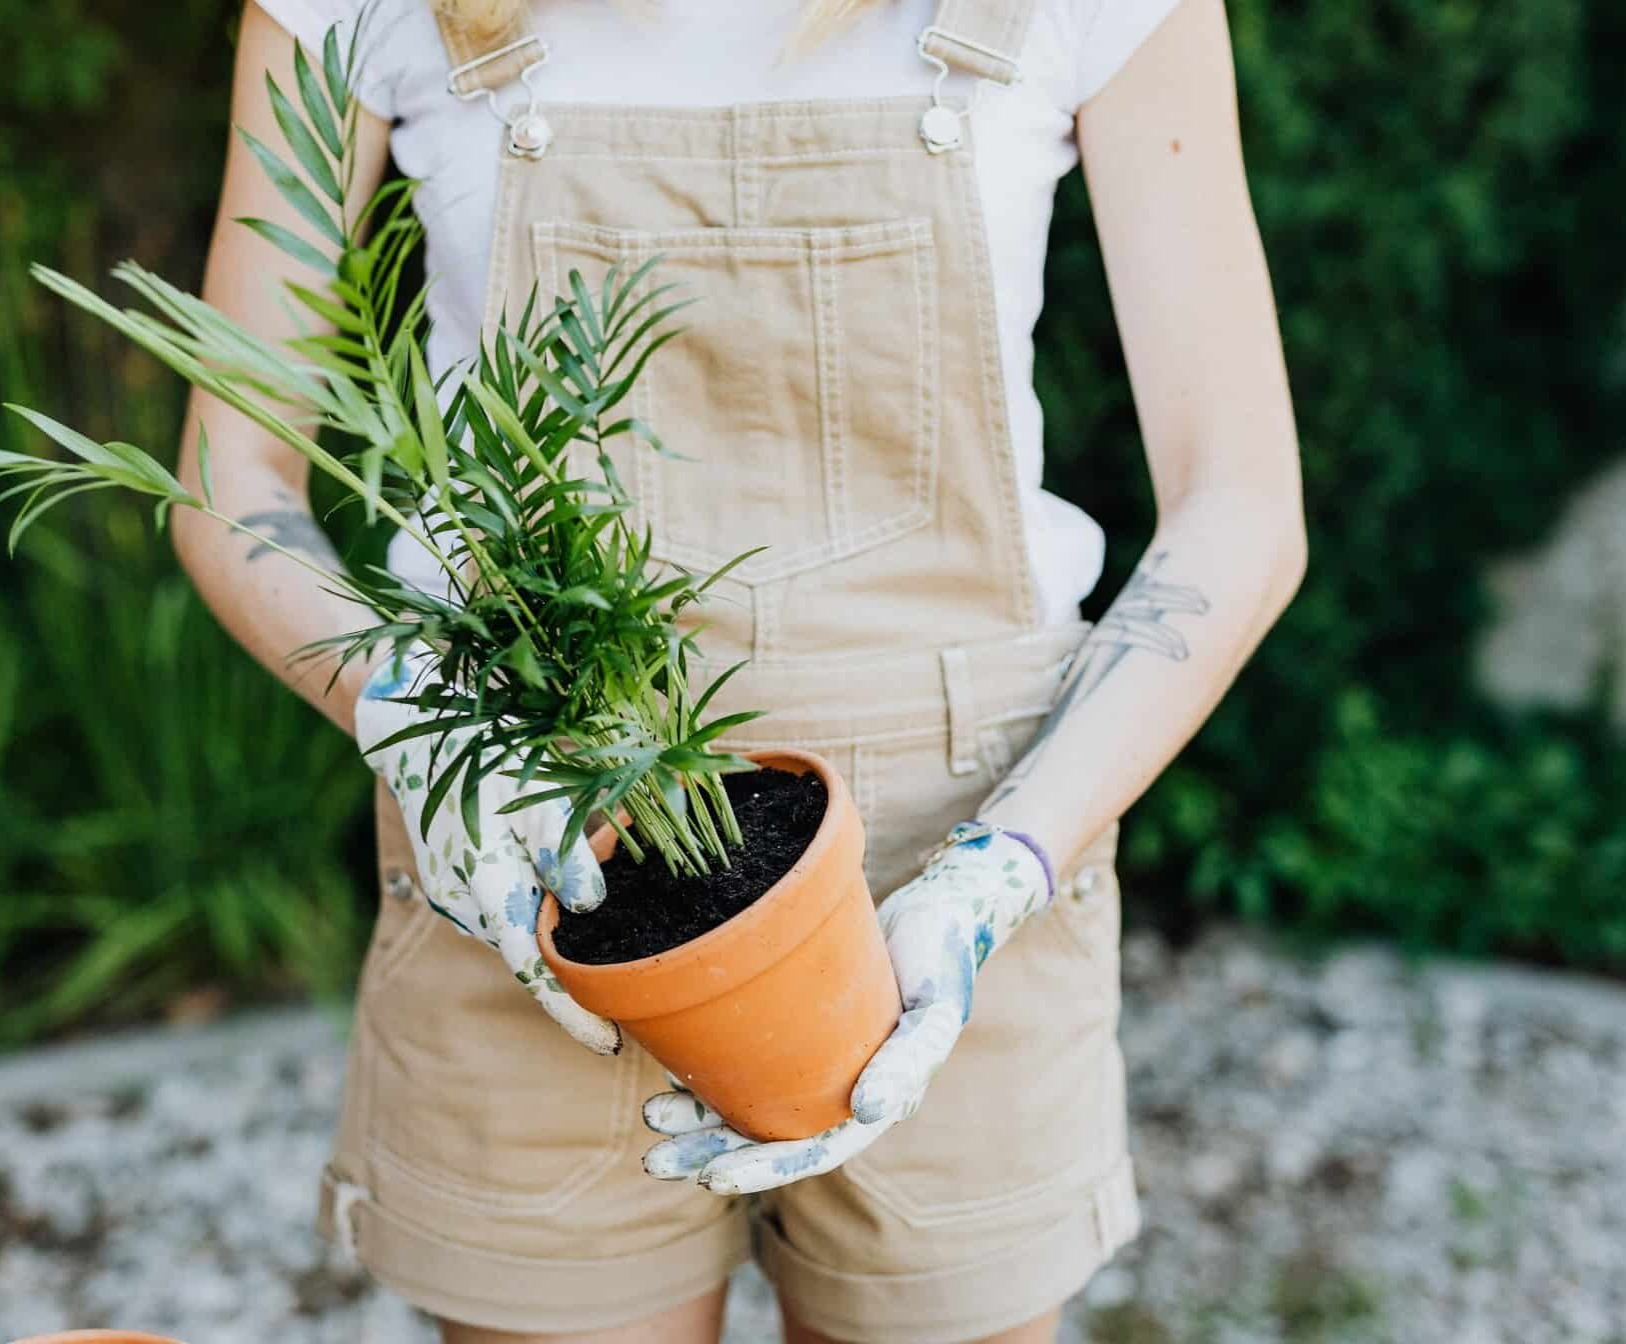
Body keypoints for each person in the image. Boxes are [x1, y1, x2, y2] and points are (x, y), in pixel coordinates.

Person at [172, 0, 1305, 1340]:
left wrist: (1004, 870)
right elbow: (231, 480)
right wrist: (417, 729)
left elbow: (1237, 510)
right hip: (537, 856)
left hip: (960, 845)